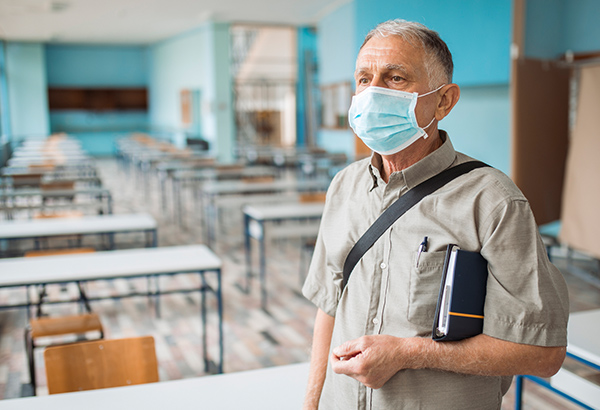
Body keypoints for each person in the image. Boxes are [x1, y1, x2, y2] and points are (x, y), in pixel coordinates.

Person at [302, 19, 569, 410]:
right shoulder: (344, 186)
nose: (373, 92)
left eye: (395, 78)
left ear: (444, 101)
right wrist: (311, 403)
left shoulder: (492, 201)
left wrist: (410, 353)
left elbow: (544, 353)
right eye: (364, 79)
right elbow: (328, 307)